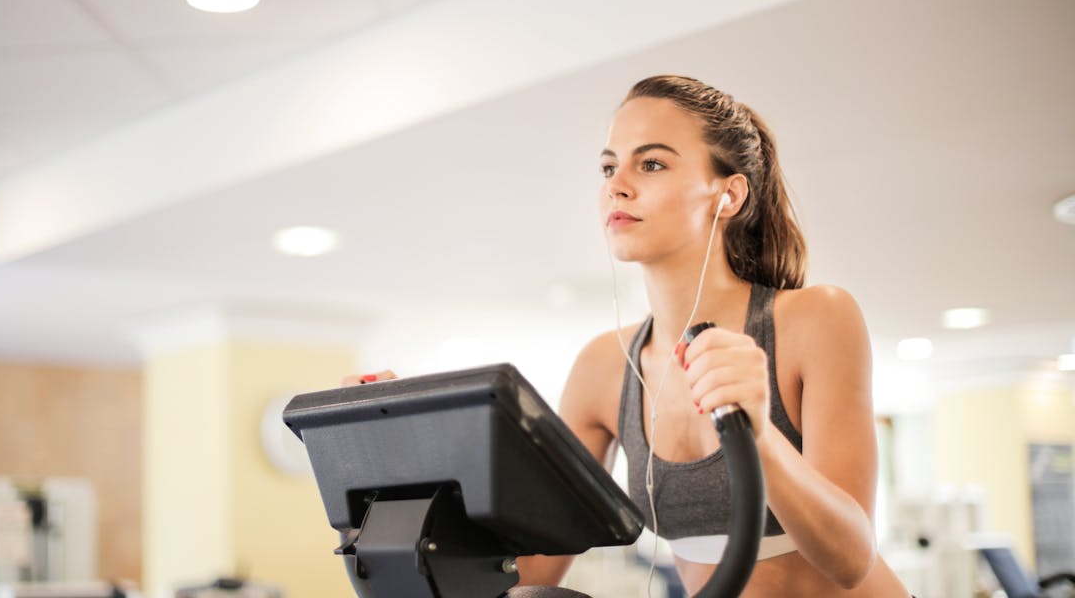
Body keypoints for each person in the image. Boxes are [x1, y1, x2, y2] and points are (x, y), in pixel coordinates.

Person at [345, 75, 910, 596]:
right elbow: (531, 572)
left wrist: (757, 430)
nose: (618, 186)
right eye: (609, 168)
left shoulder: (813, 319)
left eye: (653, 164)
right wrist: (398, 465)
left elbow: (851, 557)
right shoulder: (604, 367)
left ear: (729, 194)